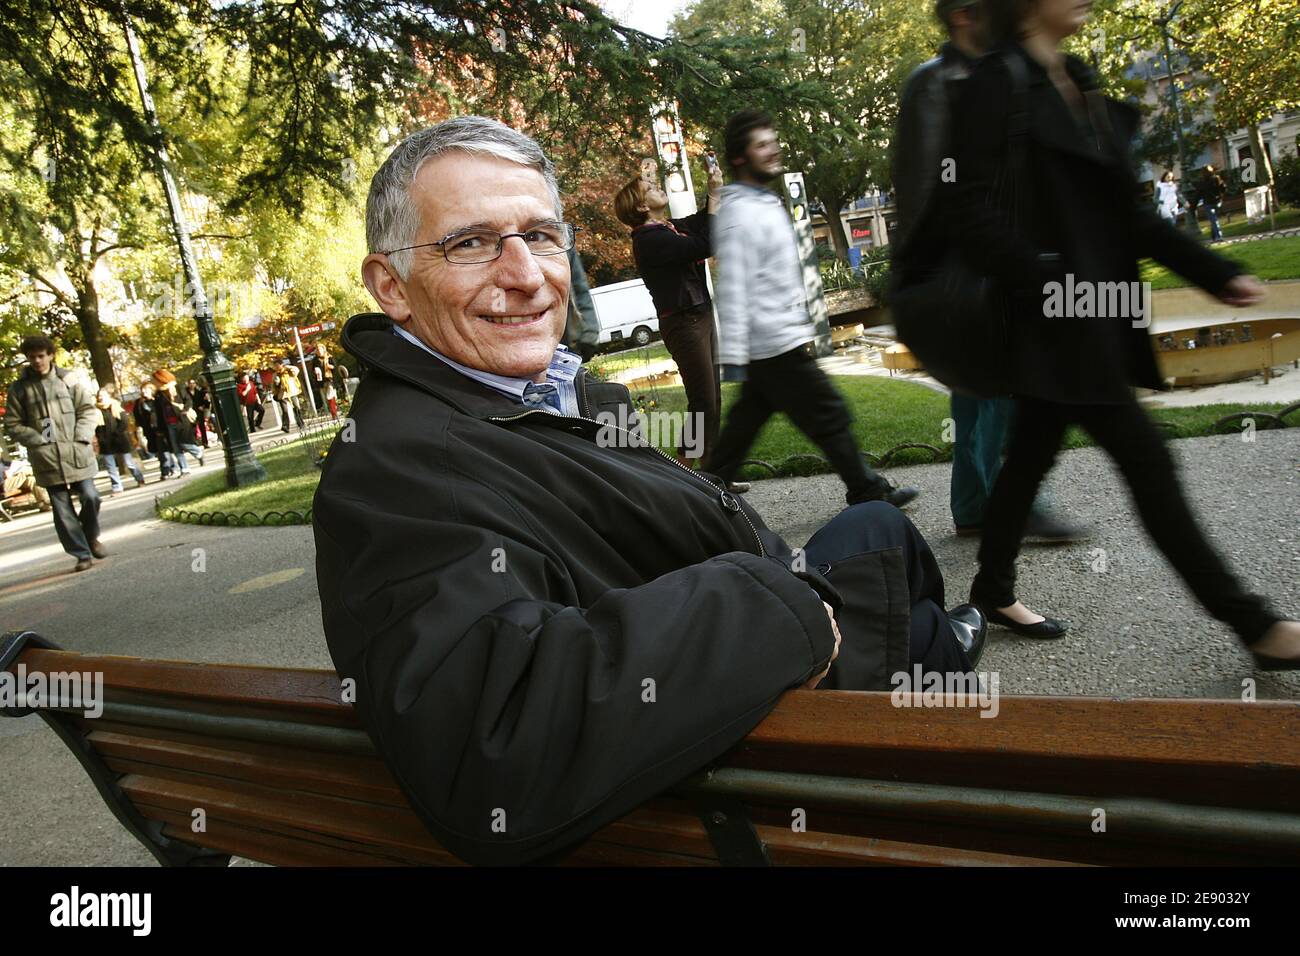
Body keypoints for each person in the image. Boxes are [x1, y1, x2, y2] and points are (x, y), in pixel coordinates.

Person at [313, 116, 985, 867]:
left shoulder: (538, 393)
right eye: (469, 243)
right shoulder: (396, 471)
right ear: (390, 287)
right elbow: (491, 746)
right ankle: (950, 727)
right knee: (905, 601)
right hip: (745, 756)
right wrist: (780, 607)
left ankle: (935, 639)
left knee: (878, 527)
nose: (527, 274)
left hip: (735, 657)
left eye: (540, 235)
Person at [926, 0, 1299, 666]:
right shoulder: (995, 82)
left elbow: (1127, 215)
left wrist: (1214, 270)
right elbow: (964, 206)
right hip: (1057, 320)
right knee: (1150, 466)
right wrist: (1043, 279)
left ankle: (990, 589)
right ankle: (1256, 628)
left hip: (1096, 312)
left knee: (1027, 459)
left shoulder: (1080, 80)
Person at [892, 0, 1086, 543]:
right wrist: (939, 268)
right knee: (999, 386)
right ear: (963, 15)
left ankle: (975, 505)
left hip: (993, 256)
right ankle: (1010, 501)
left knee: (977, 394)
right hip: (970, 266)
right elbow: (922, 183)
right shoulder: (934, 83)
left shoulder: (996, 72)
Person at [710, 109, 919, 509]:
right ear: (740, 157)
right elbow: (733, 286)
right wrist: (734, 357)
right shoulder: (739, 213)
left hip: (777, 340)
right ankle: (866, 488)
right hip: (772, 343)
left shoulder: (761, 202)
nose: (773, 150)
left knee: (743, 428)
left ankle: (705, 495)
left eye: (773, 141)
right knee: (828, 413)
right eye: (761, 145)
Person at [613, 162, 724, 470]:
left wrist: (713, 192)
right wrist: (714, 199)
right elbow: (706, 243)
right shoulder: (650, 240)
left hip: (700, 313)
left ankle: (713, 474)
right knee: (703, 402)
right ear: (641, 206)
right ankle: (686, 469)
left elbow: (701, 222)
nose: (657, 186)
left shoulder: (668, 228)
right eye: (649, 189)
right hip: (684, 322)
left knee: (712, 400)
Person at [3, 335, 105, 571]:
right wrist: (37, 440)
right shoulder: (20, 389)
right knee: (61, 509)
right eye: (32, 357)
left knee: (91, 497)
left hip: (76, 451)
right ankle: (81, 554)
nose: (37, 360)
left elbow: (87, 410)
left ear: (50, 355)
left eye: (41, 355)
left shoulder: (69, 380)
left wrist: (81, 436)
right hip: (46, 457)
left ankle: (90, 536)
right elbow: (12, 423)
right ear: (27, 359)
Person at [94, 388, 145, 493]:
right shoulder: (96, 411)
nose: (100, 397)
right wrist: (100, 439)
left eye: (102, 395)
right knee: (110, 467)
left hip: (120, 440)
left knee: (129, 463)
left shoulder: (116, 406)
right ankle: (117, 487)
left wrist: (117, 433)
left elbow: (124, 423)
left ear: (108, 396)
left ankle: (139, 479)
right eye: (99, 395)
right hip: (106, 442)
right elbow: (95, 427)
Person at [1196, 164, 1227, 240]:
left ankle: (1218, 236)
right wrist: (1220, 195)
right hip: (1217, 201)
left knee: (1214, 220)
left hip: (1208, 203)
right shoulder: (1217, 178)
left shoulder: (1202, 182)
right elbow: (1223, 188)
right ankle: (1214, 236)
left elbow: (1198, 194)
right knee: (1214, 219)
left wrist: (1194, 204)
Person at [183, 378, 212, 446]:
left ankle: (205, 442)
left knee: (202, 427)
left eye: (193, 383)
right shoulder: (185, 393)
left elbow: (206, 401)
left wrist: (203, 406)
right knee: (192, 428)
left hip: (199, 411)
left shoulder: (199, 392)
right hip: (191, 412)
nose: (192, 385)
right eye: (190, 383)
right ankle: (195, 442)